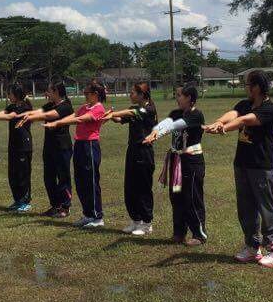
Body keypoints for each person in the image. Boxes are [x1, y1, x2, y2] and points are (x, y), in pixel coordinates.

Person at [205, 70, 273, 267]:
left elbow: (244, 120)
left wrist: (223, 128)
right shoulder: (245, 103)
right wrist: (219, 121)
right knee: (246, 208)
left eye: (248, 84)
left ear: (256, 87)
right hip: (242, 164)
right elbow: (234, 114)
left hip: (262, 166)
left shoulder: (270, 109)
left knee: (266, 208)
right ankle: (252, 247)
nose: (245, 87)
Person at [144, 85, 206, 245]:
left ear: (189, 98)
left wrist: (159, 133)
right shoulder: (176, 113)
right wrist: (155, 132)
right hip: (176, 160)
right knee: (176, 196)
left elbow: (175, 125)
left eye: (180, 95)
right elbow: (165, 123)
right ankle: (179, 232)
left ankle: (199, 235)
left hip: (191, 161)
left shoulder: (196, 115)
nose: (177, 98)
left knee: (192, 197)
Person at [46, 80, 110, 228]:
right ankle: (88, 214)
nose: (85, 95)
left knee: (91, 182)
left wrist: (58, 123)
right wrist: (59, 121)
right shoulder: (84, 107)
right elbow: (74, 115)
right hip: (80, 144)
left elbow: (81, 119)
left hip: (90, 145)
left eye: (87, 93)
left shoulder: (98, 108)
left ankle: (97, 217)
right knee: (81, 182)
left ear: (95, 94)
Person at [16, 82, 74, 218]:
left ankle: (65, 207)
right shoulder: (50, 105)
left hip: (62, 147)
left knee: (63, 177)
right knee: (49, 178)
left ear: (56, 91)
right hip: (49, 147)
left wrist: (30, 117)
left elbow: (49, 116)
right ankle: (55, 206)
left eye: (49, 91)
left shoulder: (66, 106)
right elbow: (39, 111)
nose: (47, 93)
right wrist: (25, 114)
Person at [109, 82, 157, 236]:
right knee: (130, 187)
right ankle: (136, 220)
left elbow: (131, 112)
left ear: (142, 95)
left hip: (144, 152)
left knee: (143, 188)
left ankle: (147, 223)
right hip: (132, 151)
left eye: (133, 92)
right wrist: (112, 115)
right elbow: (120, 119)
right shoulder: (134, 109)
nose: (130, 95)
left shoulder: (148, 109)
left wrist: (113, 114)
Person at [0, 84, 33, 213]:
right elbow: (3, 113)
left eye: (10, 93)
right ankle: (18, 200)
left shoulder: (24, 107)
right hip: (13, 145)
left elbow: (10, 116)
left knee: (22, 174)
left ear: (17, 94)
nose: (8, 95)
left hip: (23, 145)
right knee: (13, 174)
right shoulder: (12, 106)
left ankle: (25, 202)